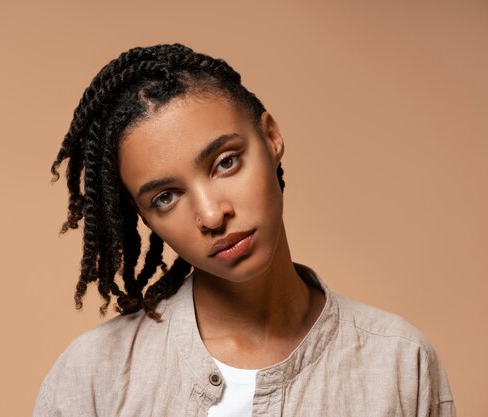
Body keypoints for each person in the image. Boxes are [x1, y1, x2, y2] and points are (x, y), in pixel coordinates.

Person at [33, 43, 455, 417]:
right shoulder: (91, 378)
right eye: (165, 197)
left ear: (270, 138)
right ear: (145, 217)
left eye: (225, 162)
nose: (212, 215)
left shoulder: (401, 363)